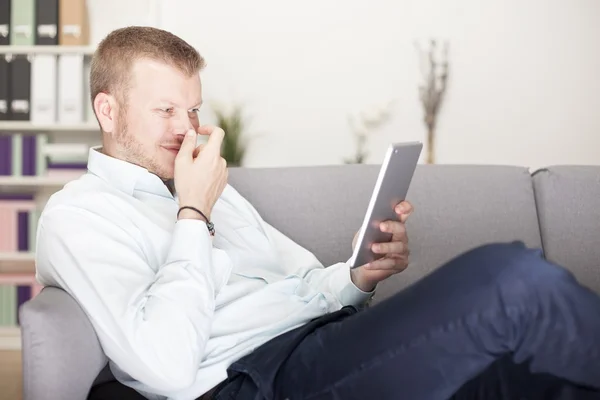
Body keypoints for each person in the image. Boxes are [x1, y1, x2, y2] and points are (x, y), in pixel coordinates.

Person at [34, 26, 600, 400]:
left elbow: (303, 283)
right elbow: (165, 366)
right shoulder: (80, 216)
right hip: (255, 379)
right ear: (108, 110)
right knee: (511, 281)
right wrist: (192, 212)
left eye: (193, 109)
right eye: (165, 110)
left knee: (538, 378)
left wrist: (357, 276)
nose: (187, 128)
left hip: (325, 342)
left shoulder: (211, 187)